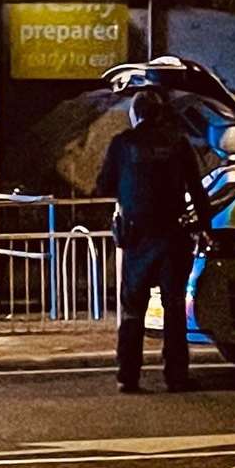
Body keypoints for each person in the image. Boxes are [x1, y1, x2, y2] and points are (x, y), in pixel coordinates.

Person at [95, 89, 211, 393]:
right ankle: (176, 376)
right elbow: (197, 191)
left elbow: (103, 185)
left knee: (133, 311)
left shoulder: (123, 144)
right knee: (174, 311)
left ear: (135, 114)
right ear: (160, 114)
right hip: (173, 238)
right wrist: (206, 228)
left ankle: (128, 377)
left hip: (136, 240)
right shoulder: (178, 143)